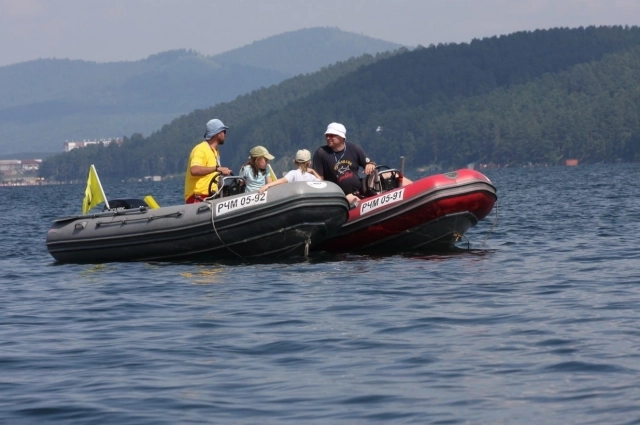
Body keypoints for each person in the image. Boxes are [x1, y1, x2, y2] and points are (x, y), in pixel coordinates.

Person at [312, 122, 376, 199]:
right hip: (340, 196)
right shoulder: (321, 153)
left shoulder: (354, 148)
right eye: (327, 135)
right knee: (352, 199)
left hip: (359, 189)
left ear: (341, 137)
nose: (328, 138)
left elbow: (369, 163)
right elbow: (319, 180)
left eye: (331, 135)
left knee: (385, 174)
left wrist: (370, 165)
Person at [184, 118, 233, 203]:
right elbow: (194, 170)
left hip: (211, 195)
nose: (225, 135)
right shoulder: (200, 149)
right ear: (218, 133)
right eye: (224, 131)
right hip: (198, 197)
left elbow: (212, 173)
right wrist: (217, 168)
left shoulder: (216, 152)